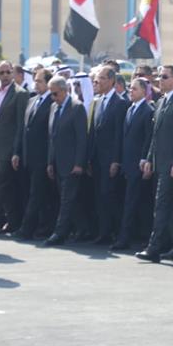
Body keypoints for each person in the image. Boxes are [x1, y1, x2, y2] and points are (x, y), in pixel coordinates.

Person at [136, 65, 173, 263]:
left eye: (165, 76)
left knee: (161, 205)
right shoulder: (161, 102)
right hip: (160, 162)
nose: (160, 79)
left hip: (172, 164)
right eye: (159, 76)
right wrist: (150, 159)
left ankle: (154, 247)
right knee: (171, 206)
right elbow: (155, 135)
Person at [44, 76, 87, 246]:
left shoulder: (77, 108)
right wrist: (50, 162)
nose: (53, 98)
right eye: (51, 95)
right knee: (70, 199)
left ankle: (59, 233)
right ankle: (83, 228)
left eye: (55, 94)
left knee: (67, 200)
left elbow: (82, 139)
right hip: (57, 163)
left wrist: (79, 163)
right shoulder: (54, 107)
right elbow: (52, 137)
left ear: (64, 90)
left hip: (71, 164)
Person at [12, 68, 54, 240]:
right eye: (35, 81)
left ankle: (27, 229)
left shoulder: (52, 102)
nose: (36, 84)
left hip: (42, 157)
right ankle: (38, 226)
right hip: (27, 156)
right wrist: (17, 152)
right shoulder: (32, 100)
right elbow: (23, 129)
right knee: (30, 193)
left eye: (40, 81)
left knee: (37, 194)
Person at [112, 77, 154, 250]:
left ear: (144, 91)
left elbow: (148, 139)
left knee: (134, 203)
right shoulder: (130, 109)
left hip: (138, 165)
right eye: (130, 88)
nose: (131, 91)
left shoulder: (148, 110)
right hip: (127, 164)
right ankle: (135, 235)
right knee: (130, 202)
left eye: (135, 89)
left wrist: (145, 160)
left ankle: (126, 239)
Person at [88, 65, 128, 244]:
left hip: (110, 159)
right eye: (97, 78)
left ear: (112, 81)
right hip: (97, 159)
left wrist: (116, 160)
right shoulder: (97, 102)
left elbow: (120, 135)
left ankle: (114, 232)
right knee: (98, 196)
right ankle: (102, 232)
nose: (98, 81)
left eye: (102, 78)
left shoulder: (120, 103)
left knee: (110, 196)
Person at [0, 60, 28, 233]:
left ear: (12, 73)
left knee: (0, 184)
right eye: (1, 73)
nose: (4, 76)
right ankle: (13, 221)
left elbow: (21, 125)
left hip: (9, 149)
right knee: (8, 188)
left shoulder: (20, 94)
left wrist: (16, 151)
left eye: (7, 72)